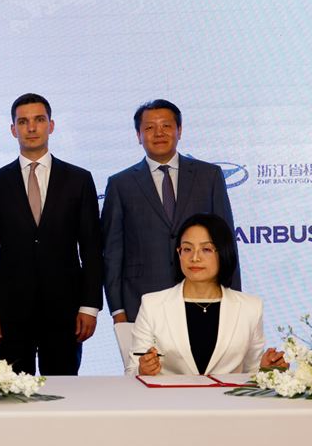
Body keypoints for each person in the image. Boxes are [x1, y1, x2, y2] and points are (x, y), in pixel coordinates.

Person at [0, 93, 103, 375]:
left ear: (51, 125)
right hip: (9, 312)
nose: (31, 128)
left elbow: (92, 249)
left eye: (39, 120)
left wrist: (90, 306)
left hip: (65, 310)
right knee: (11, 391)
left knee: (64, 390)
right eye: (23, 122)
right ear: (13, 129)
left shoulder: (79, 180)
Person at [101, 99, 238, 323]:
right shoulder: (120, 184)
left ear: (179, 130)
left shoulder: (209, 176)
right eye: (149, 127)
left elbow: (226, 243)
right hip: (141, 301)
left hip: (204, 296)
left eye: (166, 126)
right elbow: (113, 253)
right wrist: (117, 309)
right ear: (138, 135)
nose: (159, 133)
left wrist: (233, 298)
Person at [130, 213, 285, 376]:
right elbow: (131, 370)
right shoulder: (152, 305)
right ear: (178, 253)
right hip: (170, 393)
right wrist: (142, 369)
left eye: (206, 249)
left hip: (228, 393)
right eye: (187, 249)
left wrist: (267, 370)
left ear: (223, 252)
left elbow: (251, 371)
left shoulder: (250, 307)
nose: (195, 258)